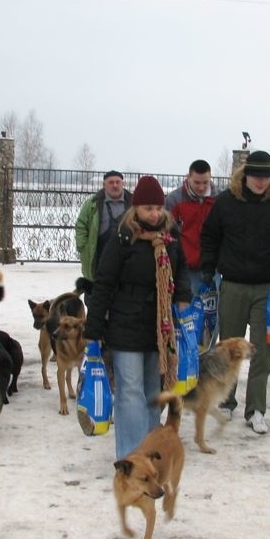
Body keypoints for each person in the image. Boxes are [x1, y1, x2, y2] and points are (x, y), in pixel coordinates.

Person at [84, 176, 192, 460]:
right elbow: (104, 281)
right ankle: (130, 457)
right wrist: (94, 327)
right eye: (147, 208)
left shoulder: (170, 236)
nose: (154, 214)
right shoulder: (122, 237)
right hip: (125, 323)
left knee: (152, 391)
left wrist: (183, 297)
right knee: (130, 391)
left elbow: (181, 269)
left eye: (158, 207)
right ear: (136, 210)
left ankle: (149, 449)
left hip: (159, 326)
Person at [200, 150, 270, 434]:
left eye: (266, 176)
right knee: (228, 349)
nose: (261, 181)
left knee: (262, 350)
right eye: (256, 176)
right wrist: (208, 267)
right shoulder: (226, 203)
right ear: (245, 176)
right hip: (232, 284)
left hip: (267, 288)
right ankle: (226, 402)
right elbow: (209, 236)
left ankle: (256, 409)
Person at [75, 170, 133, 305]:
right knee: (95, 298)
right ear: (104, 185)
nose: (115, 185)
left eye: (118, 182)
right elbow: (81, 225)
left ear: (122, 184)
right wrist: (83, 247)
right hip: (99, 257)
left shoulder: (132, 203)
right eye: (111, 182)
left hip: (126, 258)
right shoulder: (92, 204)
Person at [165, 159, 219, 295]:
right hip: (187, 266)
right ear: (188, 177)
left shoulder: (219, 199)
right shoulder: (174, 200)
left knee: (216, 311)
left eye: (205, 182)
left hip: (215, 266)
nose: (201, 187)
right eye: (197, 182)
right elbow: (166, 232)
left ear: (210, 177)